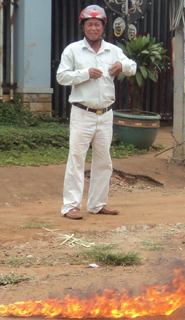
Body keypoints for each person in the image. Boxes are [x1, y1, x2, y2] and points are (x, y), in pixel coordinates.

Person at [57, 5, 137, 220]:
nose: (93, 28)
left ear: (103, 27)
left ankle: (97, 204)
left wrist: (121, 65)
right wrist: (84, 74)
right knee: (76, 158)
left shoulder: (112, 50)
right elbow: (61, 77)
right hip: (82, 113)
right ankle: (71, 206)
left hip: (106, 113)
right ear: (83, 26)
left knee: (104, 161)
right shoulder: (73, 50)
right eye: (89, 24)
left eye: (97, 24)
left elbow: (133, 66)